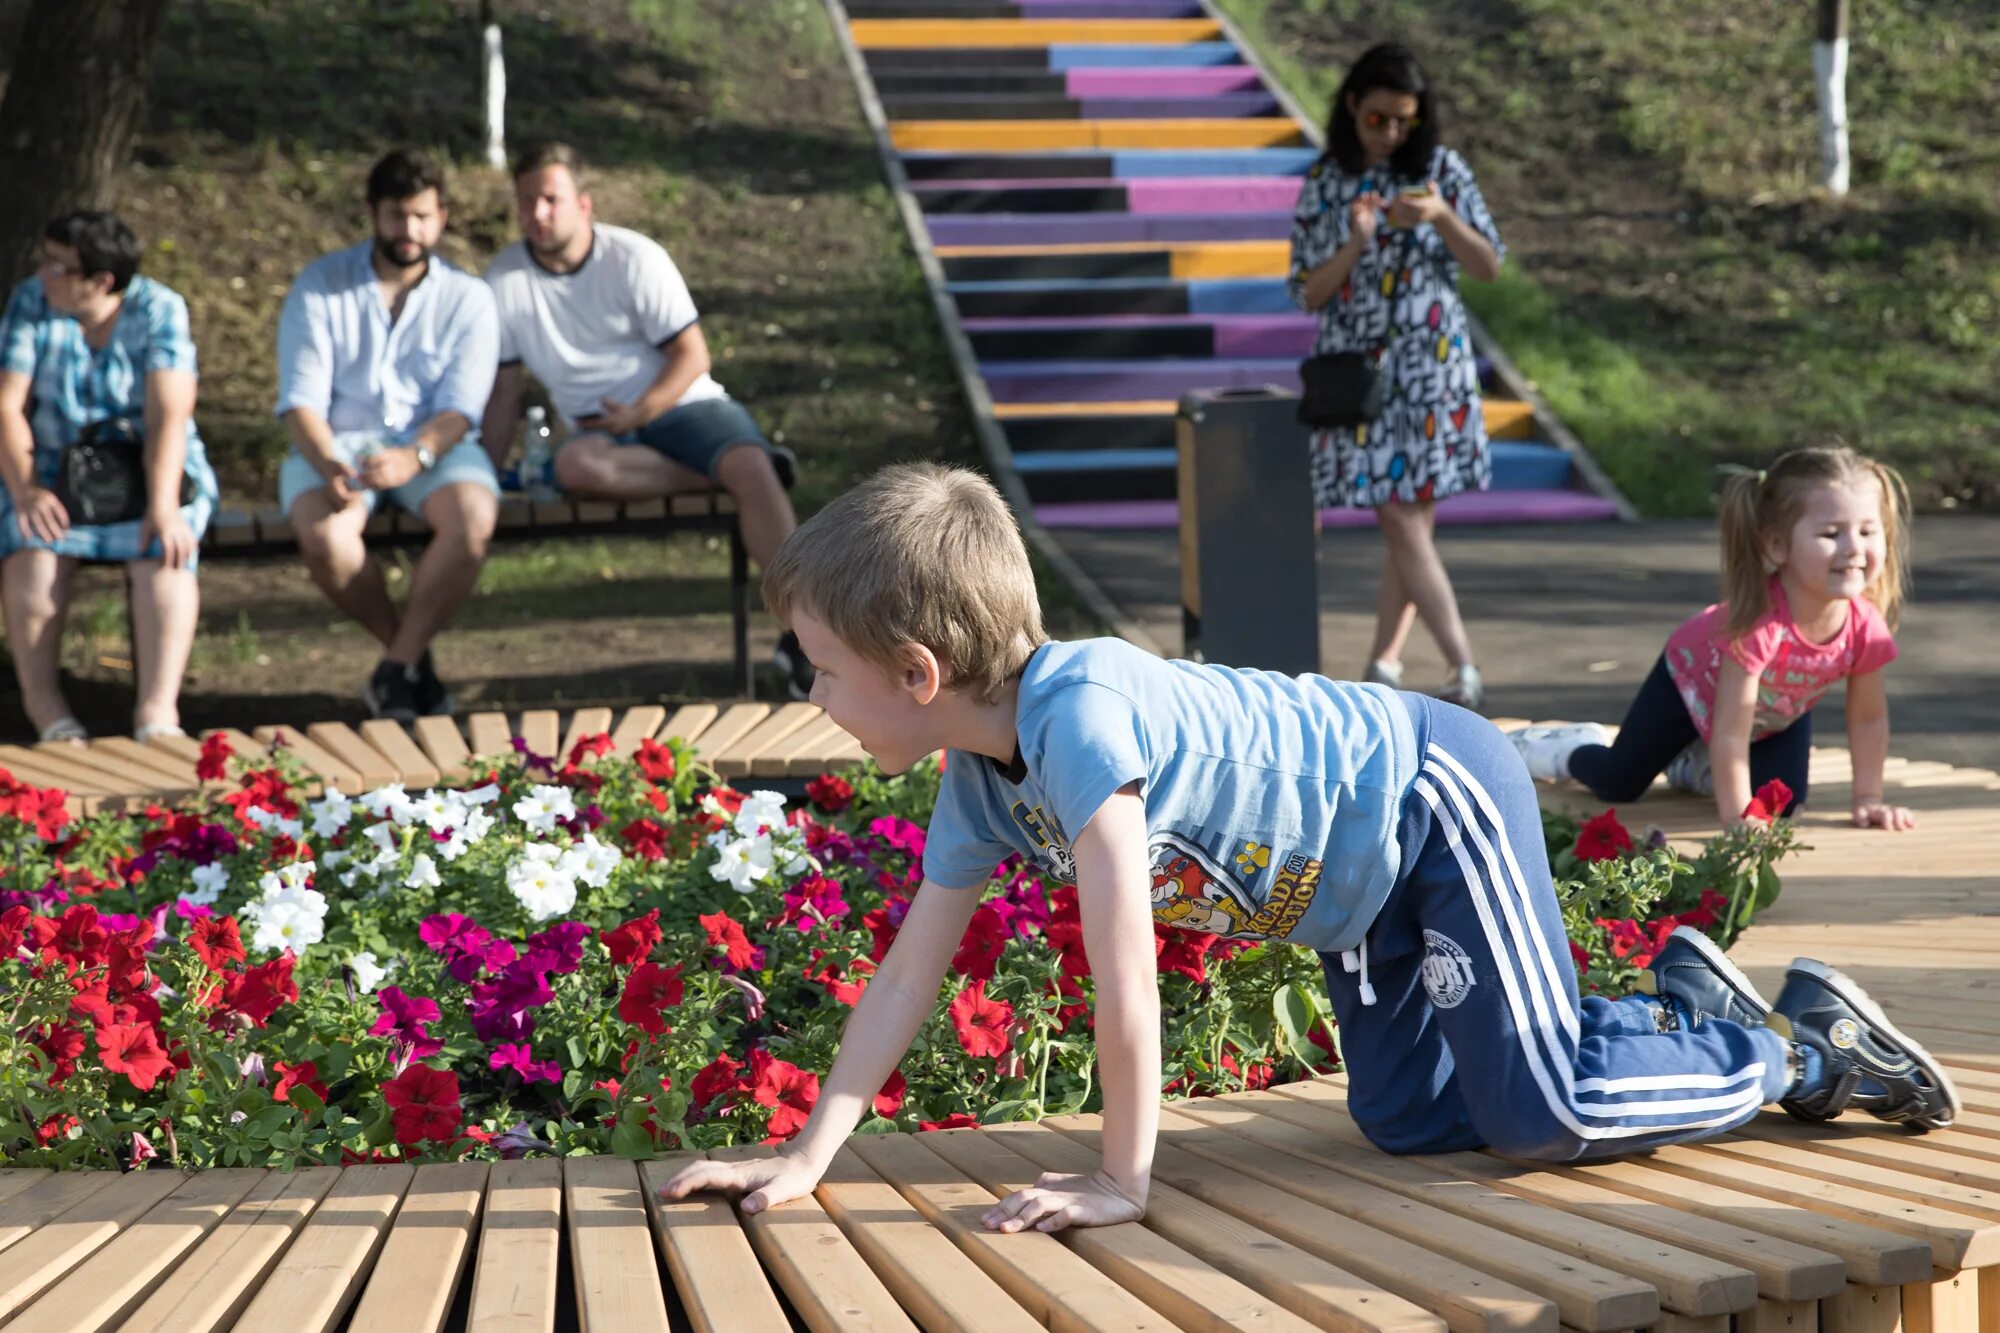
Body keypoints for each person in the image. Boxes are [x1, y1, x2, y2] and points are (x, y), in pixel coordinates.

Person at [659, 462, 1957, 1233]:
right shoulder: (979, 780)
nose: (817, 696)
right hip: (1362, 898)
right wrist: (807, 1157)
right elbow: (905, 975)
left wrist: (1123, 1178)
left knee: (1536, 1110)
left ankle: (1795, 1048)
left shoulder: (1079, 722)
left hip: (1432, 794)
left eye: (825, 671)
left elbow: (1126, 981)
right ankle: (1677, 1008)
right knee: (1407, 1117)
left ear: (917, 668)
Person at [478, 141, 811, 699]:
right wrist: (483, 474)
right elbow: (504, 390)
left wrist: (642, 409)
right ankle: (728, 472)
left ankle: (806, 636)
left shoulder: (634, 258)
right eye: (527, 201)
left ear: (583, 204)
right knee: (576, 466)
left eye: (550, 200)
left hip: (682, 404)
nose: (537, 214)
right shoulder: (504, 279)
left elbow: (692, 355)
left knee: (751, 469)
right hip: (598, 436)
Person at [1511, 446, 1916, 832]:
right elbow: (1729, 731)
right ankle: (1561, 749)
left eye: (1867, 531)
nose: (1854, 549)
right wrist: (1736, 818)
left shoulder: (1865, 627)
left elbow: (1868, 719)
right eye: (1831, 533)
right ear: (1777, 545)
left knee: (1782, 805)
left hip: (1777, 713)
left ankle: (1692, 766)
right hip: (1690, 687)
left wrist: (1868, 796)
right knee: (1619, 783)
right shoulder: (1760, 628)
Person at [1288, 43, 1503, 710]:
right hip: (1362, 378)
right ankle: (1462, 663)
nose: (1389, 134)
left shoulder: (1440, 171)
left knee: (1409, 526)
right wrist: (1356, 241)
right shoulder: (1327, 180)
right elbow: (1307, 292)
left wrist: (1440, 215)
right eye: (1377, 118)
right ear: (1352, 105)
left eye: (1403, 122)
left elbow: (1488, 264)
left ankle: (1384, 662)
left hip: (1433, 369)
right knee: (1401, 520)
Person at [275, 149, 500, 722]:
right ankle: (411, 662)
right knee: (325, 536)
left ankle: (394, 668)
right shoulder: (321, 285)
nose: (410, 230)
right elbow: (300, 400)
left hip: (435, 446)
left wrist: (415, 455)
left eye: (422, 216)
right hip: (335, 443)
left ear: (442, 217)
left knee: (473, 519)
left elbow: (460, 409)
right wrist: (328, 464)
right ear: (373, 213)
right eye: (398, 215)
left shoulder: (468, 297)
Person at [0, 211, 219, 744]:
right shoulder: (31, 301)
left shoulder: (161, 308)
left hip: (151, 468)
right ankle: (46, 711)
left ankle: (157, 715)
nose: (45, 273)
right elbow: (6, 403)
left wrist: (164, 507)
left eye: (59, 266)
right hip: (53, 466)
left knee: (164, 556)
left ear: (100, 281)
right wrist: (27, 490)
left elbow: (169, 415)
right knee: (35, 552)